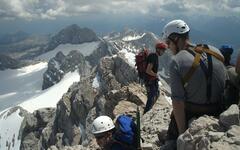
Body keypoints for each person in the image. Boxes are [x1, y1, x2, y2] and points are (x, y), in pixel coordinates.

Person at [161, 19, 227, 142]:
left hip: (194, 112)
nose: (168, 47)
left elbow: (178, 103)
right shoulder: (215, 51)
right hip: (220, 110)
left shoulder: (176, 62)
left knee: (169, 141)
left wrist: (182, 135)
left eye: (168, 42)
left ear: (176, 39)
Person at [144, 42, 167, 114]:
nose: (163, 52)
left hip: (152, 81)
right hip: (149, 81)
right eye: (162, 50)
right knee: (151, 98)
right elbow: (148, 70)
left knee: (156, 94)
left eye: (164, 50)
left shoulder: (155, 56)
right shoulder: (153, 56)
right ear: (158, 49)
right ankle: (146, 113)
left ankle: (149, 110)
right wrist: (155, 75)